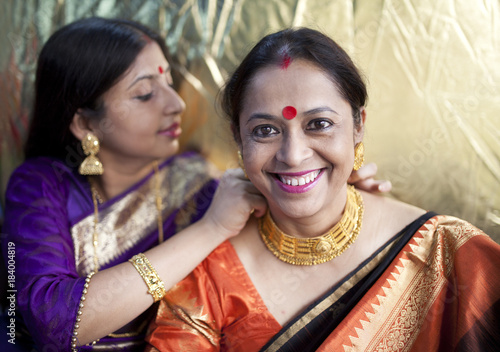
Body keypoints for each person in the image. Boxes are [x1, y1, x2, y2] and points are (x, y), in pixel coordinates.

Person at [1, 18, 385, 352]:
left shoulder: (195, 179)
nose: (176, 104)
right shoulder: (38, 187)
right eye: (145, 93)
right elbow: (54, 323)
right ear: (85, 124)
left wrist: (330, 193)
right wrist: (211, 229)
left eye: (168, 81)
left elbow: (281, 225)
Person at [145, 28, 500, 351]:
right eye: (265, 130)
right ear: (239, 140)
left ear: (359, 125)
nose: (294, 155)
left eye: (319, 124)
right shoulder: (208, 276)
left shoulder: (443, 251)